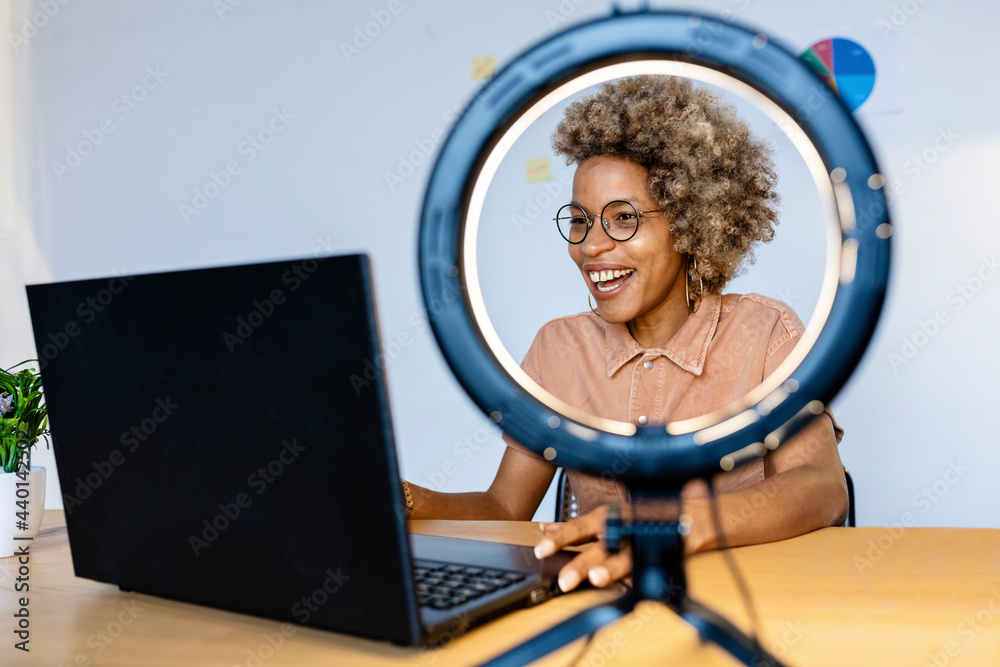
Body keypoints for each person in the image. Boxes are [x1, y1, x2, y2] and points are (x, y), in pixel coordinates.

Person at [405, 75, 848, 594]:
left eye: (623, 219)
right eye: (580, 221)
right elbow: (504, 508)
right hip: (601, 604)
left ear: (689, 223)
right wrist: (406, 499)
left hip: (748, 603)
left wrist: (674, 528)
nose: (590, 246)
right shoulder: (558, 349)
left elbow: (820, 487)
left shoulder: (766, 332)